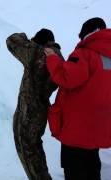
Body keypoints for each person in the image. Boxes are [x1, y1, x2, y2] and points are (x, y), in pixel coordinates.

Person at [44, 17, 111, 180]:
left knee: (74, 169)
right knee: (92, 164)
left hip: (76, 128)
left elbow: (66, 78)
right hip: (98, 126)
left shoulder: (85, 53)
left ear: (85, 33)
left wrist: (52, 58)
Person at [6, 29, 63, 180]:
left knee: (27, 149)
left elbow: (11, 40)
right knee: (34, 146)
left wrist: (30, 41)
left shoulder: (37, 53)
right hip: (40, 108)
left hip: (29, 110)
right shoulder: (57, 56)